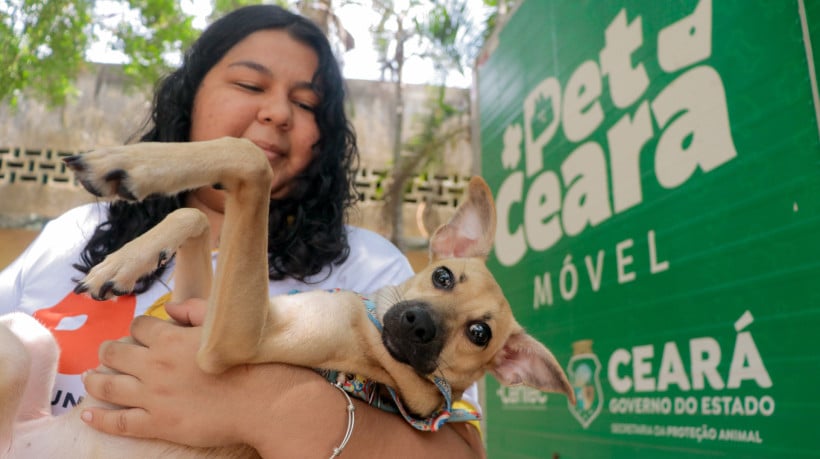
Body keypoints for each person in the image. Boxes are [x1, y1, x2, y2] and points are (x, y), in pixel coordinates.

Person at [0, 4, 485, 458]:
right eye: (251, 86)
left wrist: (269, 407)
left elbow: (458, 448)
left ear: (324, 139)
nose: (278, 112)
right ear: (190, 98)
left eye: (307, 103)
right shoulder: (74, 233)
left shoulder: (374, 271)